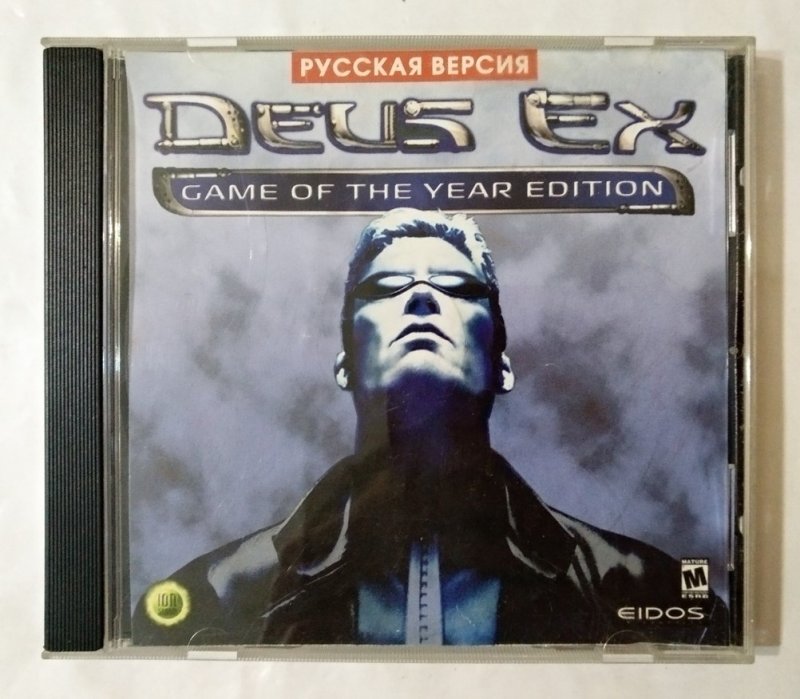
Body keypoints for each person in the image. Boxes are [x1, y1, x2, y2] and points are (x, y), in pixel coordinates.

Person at [133, 208, 729, 646]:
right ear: (344, 363)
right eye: (386, 288)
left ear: (502, 364)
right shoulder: (211, 600)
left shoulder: (646, 589)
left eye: (459, 289)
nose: (422, 298)